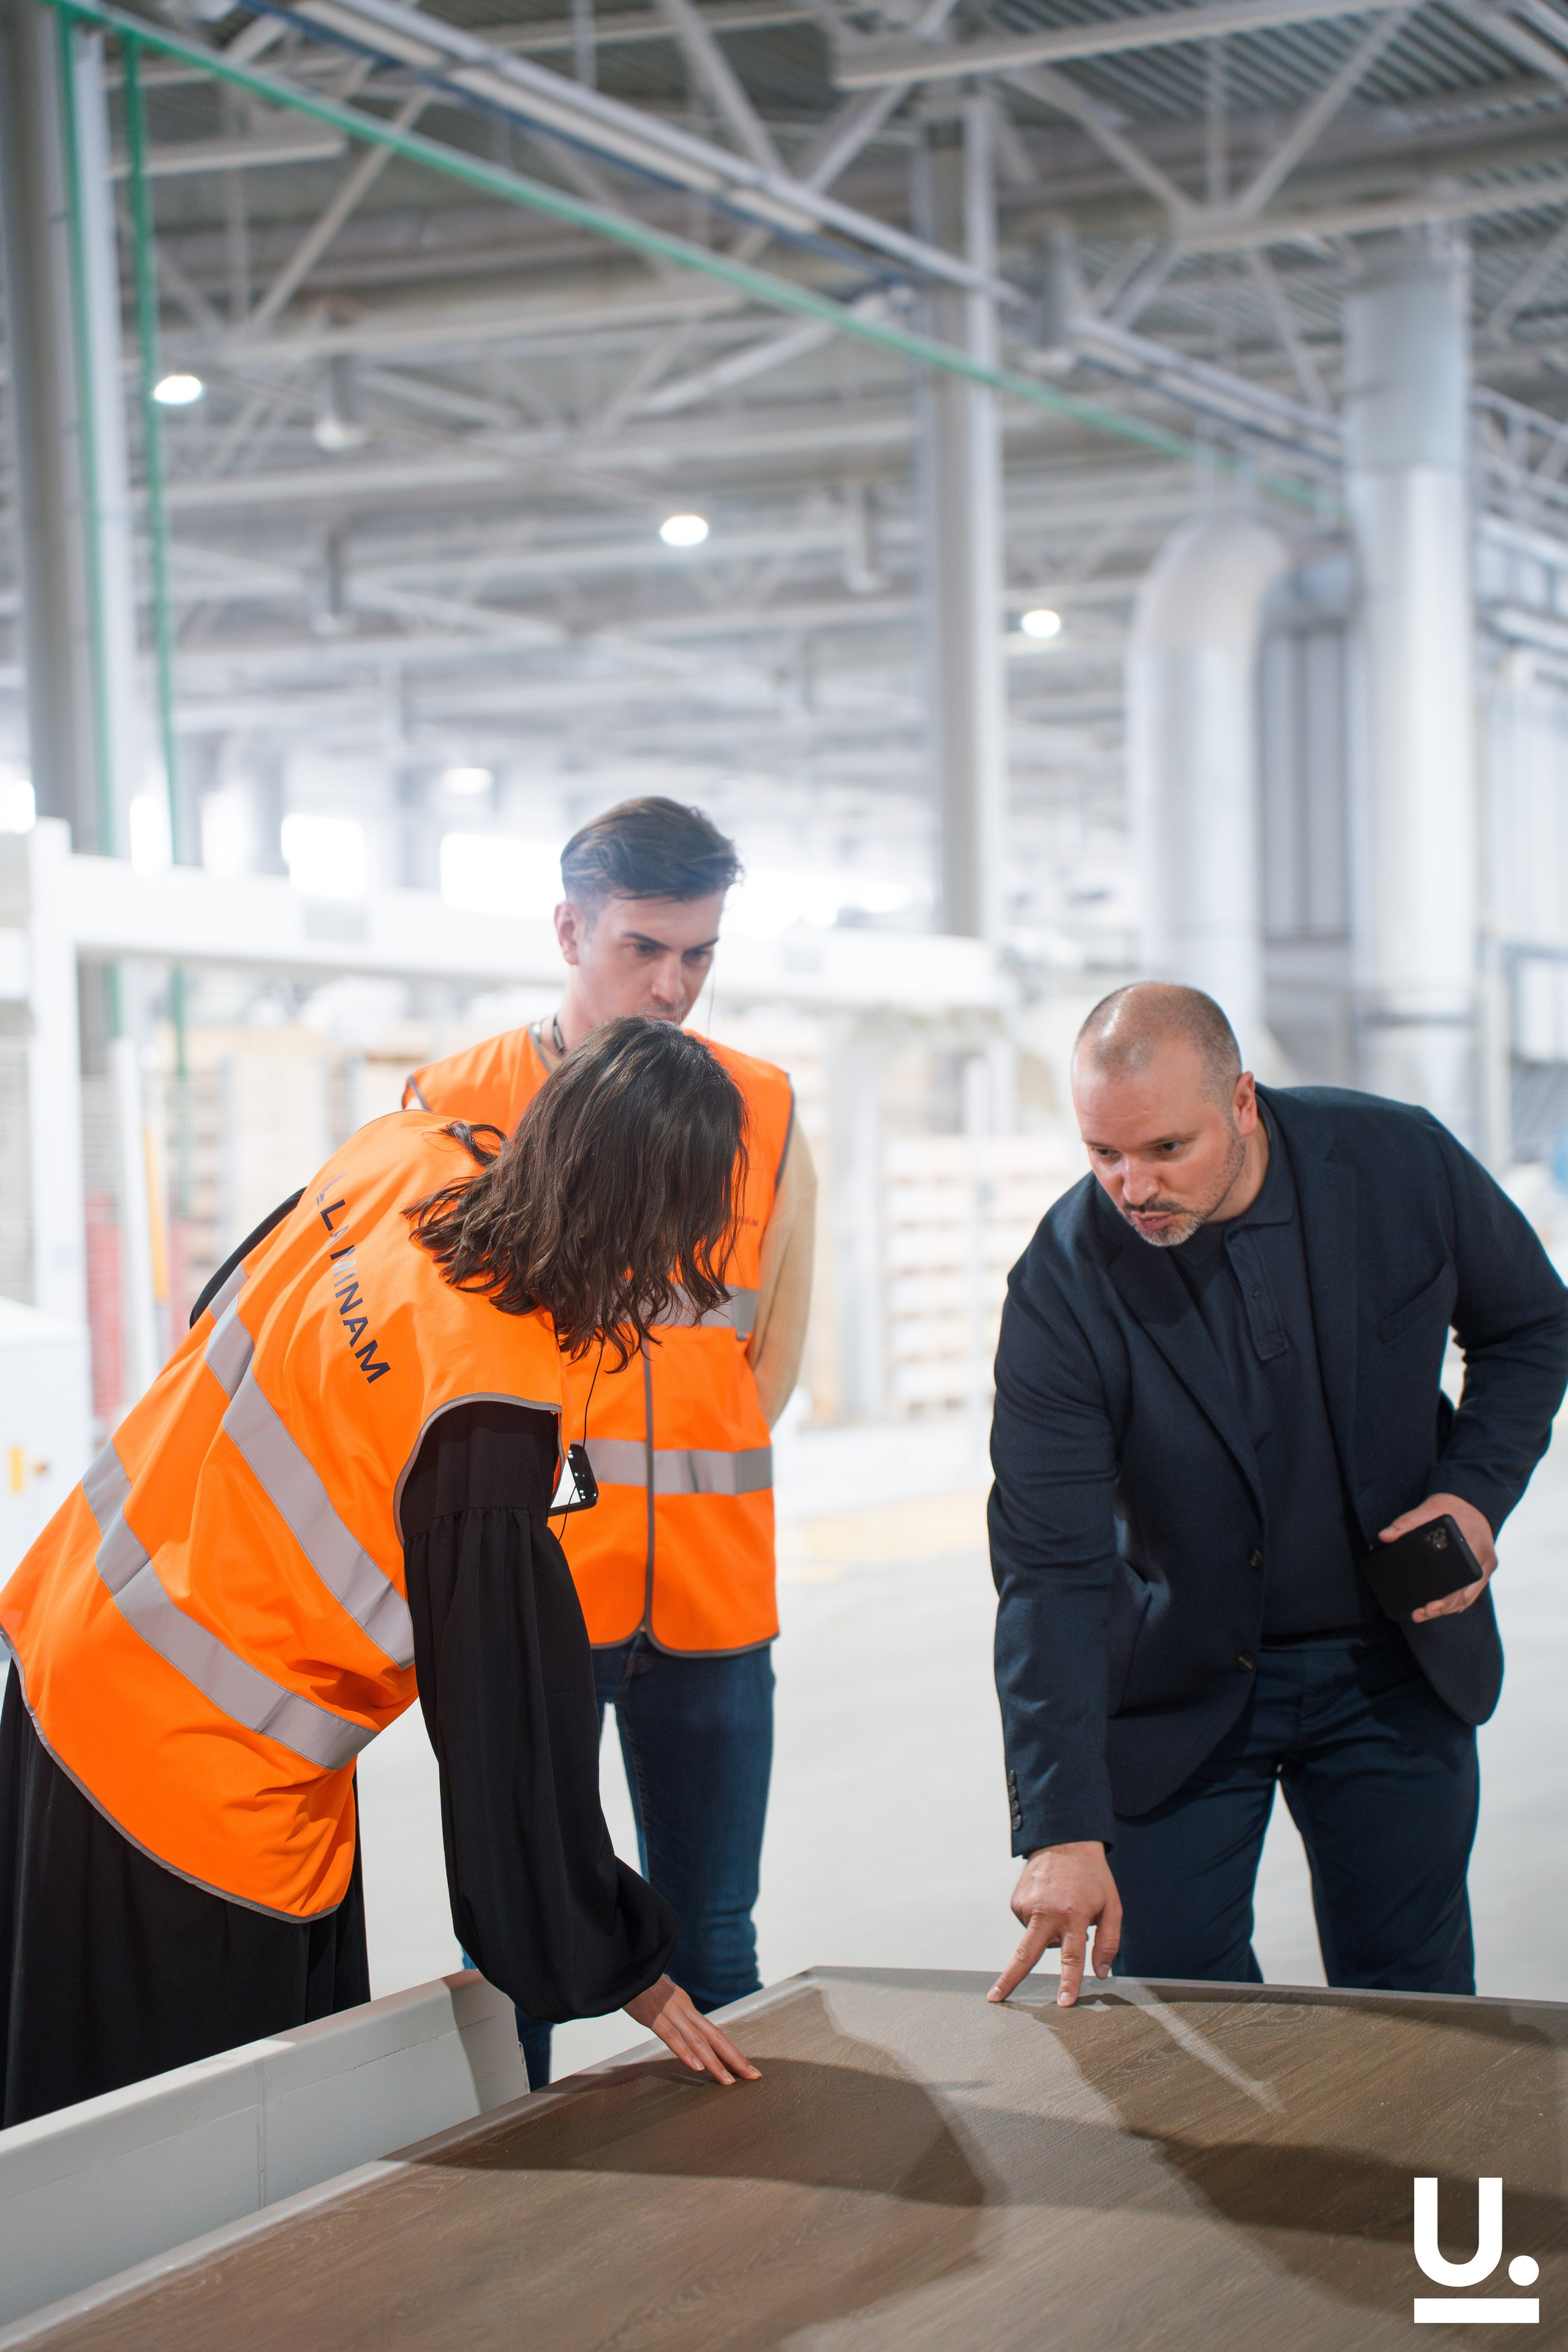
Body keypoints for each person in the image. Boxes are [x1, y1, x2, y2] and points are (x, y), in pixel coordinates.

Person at [0, 1019, 760, 2125]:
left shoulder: (403, 1156)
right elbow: (506, 1738)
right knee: (184, 2165)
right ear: (655, 1222)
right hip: (188, 1779)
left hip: (68, 1635)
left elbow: (227, 1305)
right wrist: (621, 1960)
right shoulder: (486, 1404)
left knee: (48, 2109)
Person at [987, 982, 1568, 2011]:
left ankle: (1427, 2186)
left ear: (1244, 1102)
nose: (1134, 1186)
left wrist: (1475, 1497)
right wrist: (1061, 1825)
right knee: (1187, 2018)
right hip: (1181, 1684)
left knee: (1417, 2014)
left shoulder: (1398, 1164)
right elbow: (1050, 1567)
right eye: (1104, 1154)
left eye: (1167, 1149)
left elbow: (1532, 1326)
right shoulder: (1065, 1280)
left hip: (1393, 1665)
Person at [404, 797, 813, 2086]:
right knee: (523, 1933)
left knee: (718, 1940)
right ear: (569, 927)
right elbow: (426, 1369)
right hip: (533, 1597)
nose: (674, 985)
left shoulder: (760, 1106)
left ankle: (739, 2233)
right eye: (645, 947)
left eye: (698, 954)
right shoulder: (455, 1105)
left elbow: (772, 1351)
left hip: (711, 1593)